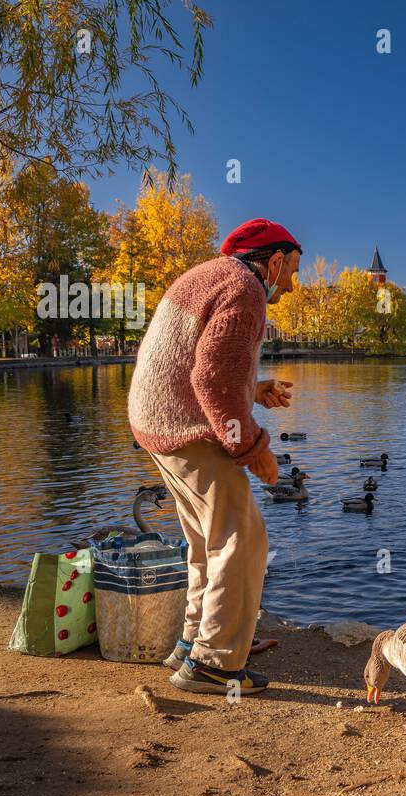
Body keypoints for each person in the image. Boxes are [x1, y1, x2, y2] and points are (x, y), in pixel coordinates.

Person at [127, 218, 301, 695]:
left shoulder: (209, 275)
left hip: (155, 420)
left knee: (208, 539)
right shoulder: (246, 289)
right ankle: (214, 664)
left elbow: (198, 364)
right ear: (275, 261)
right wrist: (253, 450)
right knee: (242, 537)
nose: (290, 286)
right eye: (292, 272)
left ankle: (192, 643)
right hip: (184, 427)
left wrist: (254, 390)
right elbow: (212, 381)